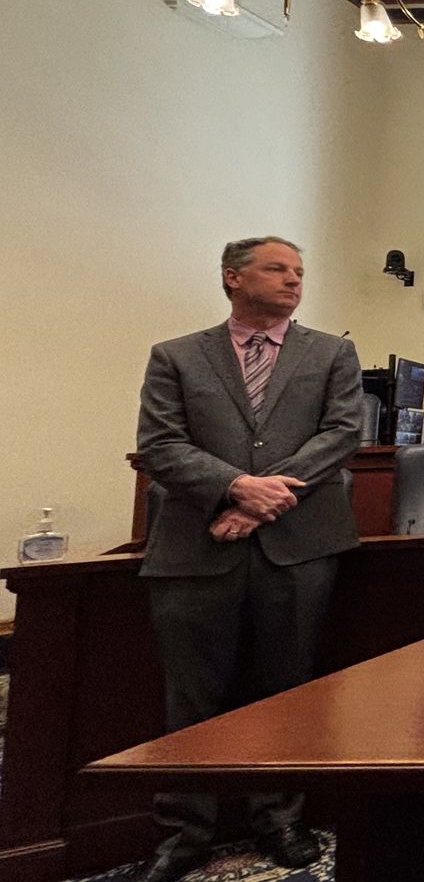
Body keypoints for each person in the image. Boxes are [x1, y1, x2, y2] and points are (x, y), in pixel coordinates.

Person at [134, 237, 362, 881]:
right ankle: (184, 830)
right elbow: (160, 443)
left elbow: (341, 434)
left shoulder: (331, 352)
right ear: (233, 278)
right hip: (196, 547)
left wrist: (263, 499)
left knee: (286, 691)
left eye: (299, 272)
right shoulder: (176, 356)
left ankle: (279, 817)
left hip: (299, 549)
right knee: (191, 697)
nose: (294, 280)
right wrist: (235, 486)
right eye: (277, 268)